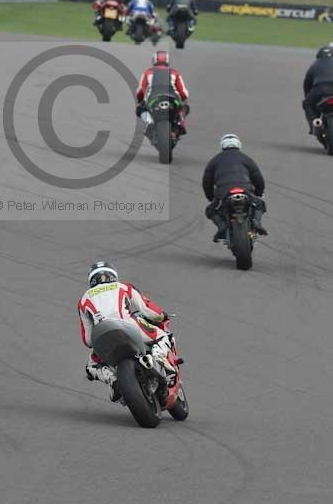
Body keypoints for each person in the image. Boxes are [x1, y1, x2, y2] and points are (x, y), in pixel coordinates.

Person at [78, 261, 180, 402]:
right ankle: (158, 357)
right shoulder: (123, 286)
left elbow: (87, 339)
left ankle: (113, 381)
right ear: (113, 275)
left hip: (101, 336)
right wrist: (162, 315)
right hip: (128, 325)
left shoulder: (83, 300)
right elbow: (146, 309)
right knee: (164, 336)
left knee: (91, 366)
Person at [202, 134, 267, 242]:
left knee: (210, 210)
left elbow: (206, 182)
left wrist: (211, 198)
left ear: (222, 145)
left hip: (223, 192)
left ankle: (222, 226)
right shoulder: (246, 159)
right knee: (260, 204)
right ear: (238, 145)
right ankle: (257, 222)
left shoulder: (214, 160)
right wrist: (259, 193)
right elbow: (258, 178)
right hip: (245, 190)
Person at [135, 50, 189, 140]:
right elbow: (183, 92)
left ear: (154, 60)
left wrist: (140, 100)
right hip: (172, 99)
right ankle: (179, 124)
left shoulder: (148, 72)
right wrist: (184, 99)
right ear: (167, 60)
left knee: (140, 109)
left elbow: (140, 90)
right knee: (185, 108)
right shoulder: (175, 72)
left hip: (153, 99)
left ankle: (149, 122)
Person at [303, 46, 333, 132]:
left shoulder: (314, 65)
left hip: (320, 89)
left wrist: (307, 95)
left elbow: (307, 82)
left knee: (307, 104)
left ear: (319, 55)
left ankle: (314, 123)